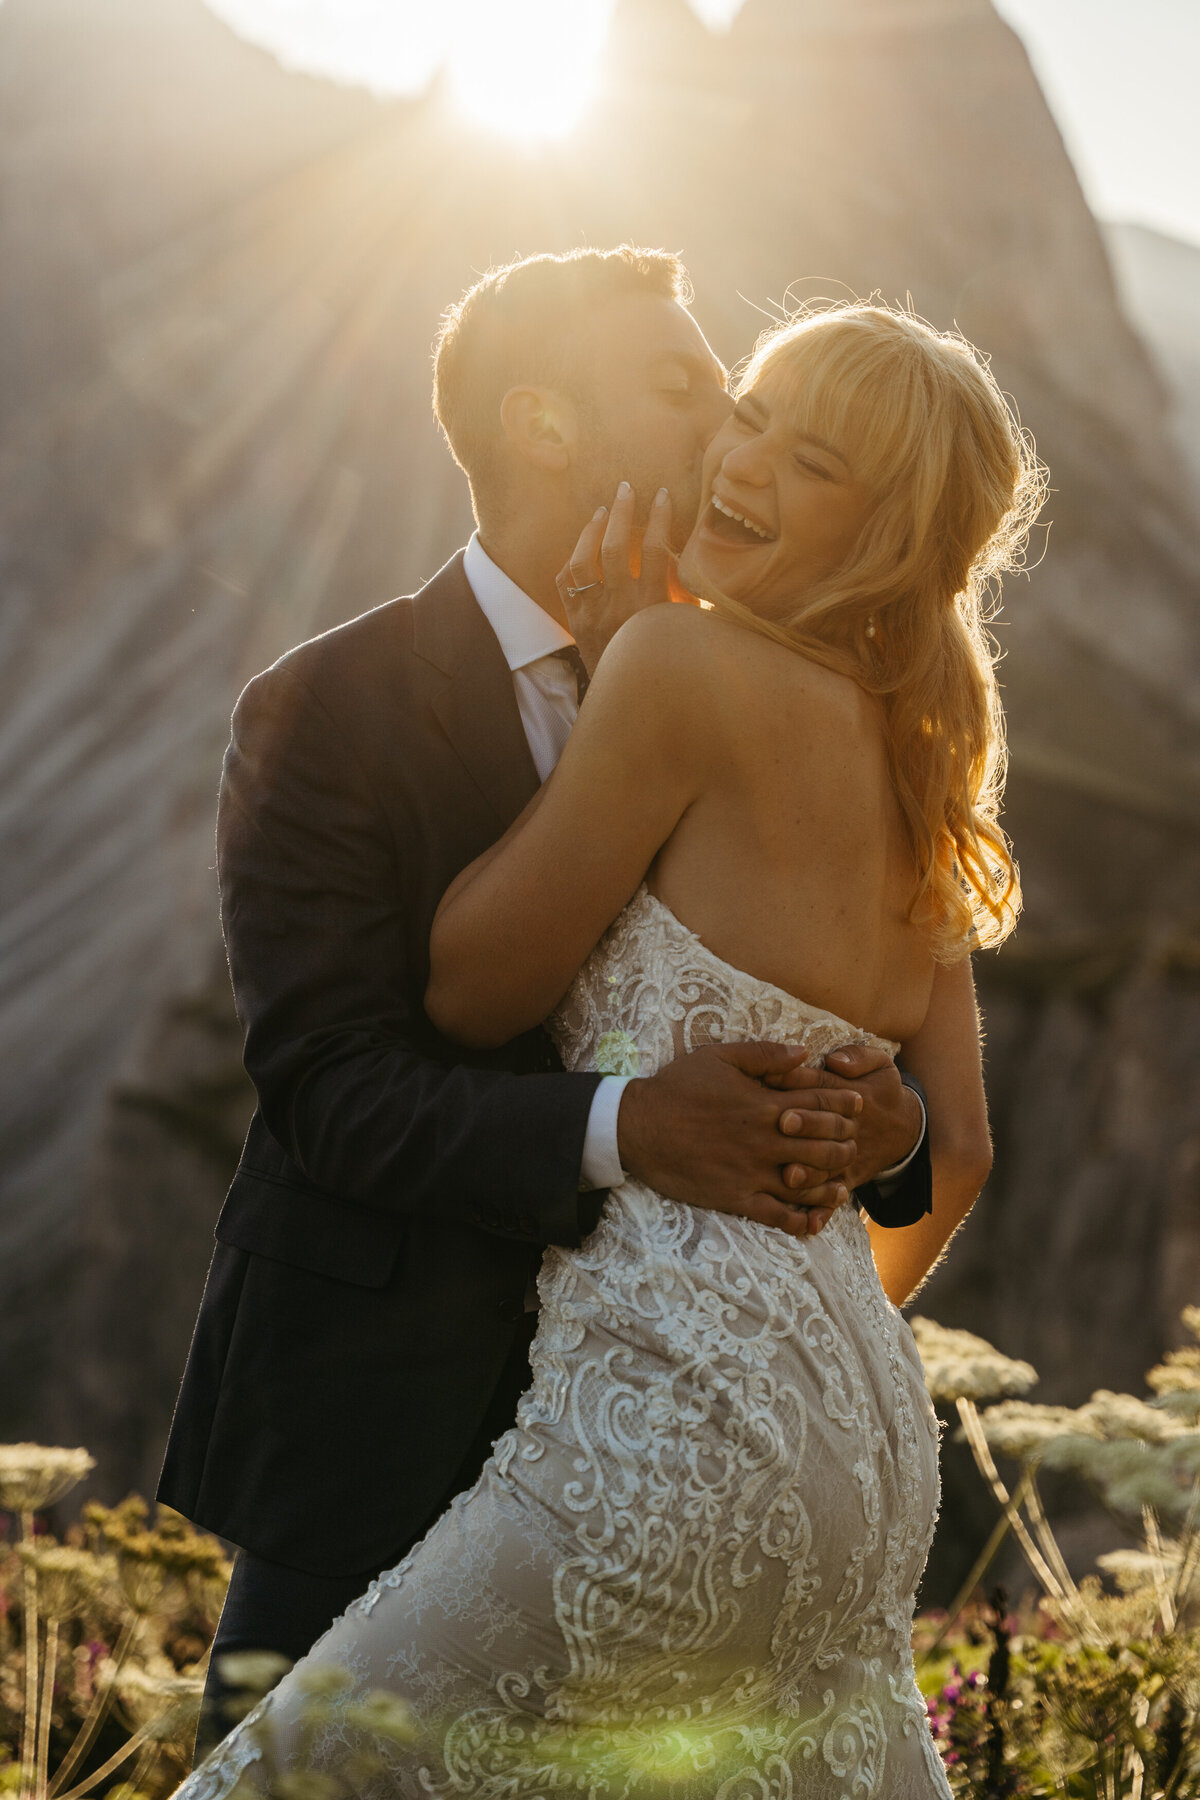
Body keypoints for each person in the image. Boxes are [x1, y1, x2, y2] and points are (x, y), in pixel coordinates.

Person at [170, 294, 1039, 1799]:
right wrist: (788, 1280)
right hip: (832, 1434)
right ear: (542, 424)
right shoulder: (921, 753)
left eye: (789, 443)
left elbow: (466, 993)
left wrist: (821, 1179)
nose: (731, 444)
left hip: (665, 1434)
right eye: (717, 400)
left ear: (890, 530)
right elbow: (952, 1139)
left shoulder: (682, 668)